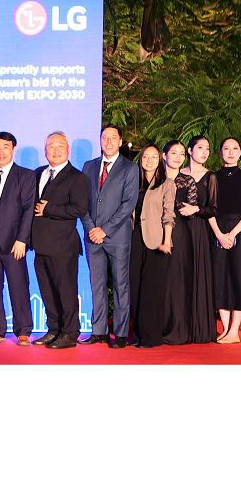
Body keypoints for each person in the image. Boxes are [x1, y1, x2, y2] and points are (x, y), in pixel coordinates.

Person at [80, 124, 139, 348]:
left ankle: (121, 333)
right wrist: (91, 228)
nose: (109, 141)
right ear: (100, 141)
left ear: (120, 142)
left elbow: (128, 204)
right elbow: (82, 202)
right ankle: (99, 331)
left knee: (121, 285)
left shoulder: (130, 168)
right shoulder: (89, 166)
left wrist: (105, 230)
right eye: (105, 137)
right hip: (92, 236)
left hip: (118, 237)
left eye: (113, 138)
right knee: (97, 285)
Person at [30, 131, 89, 349]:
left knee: (66, 291)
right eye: (51, 146)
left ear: (68, 150)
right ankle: (54, 329)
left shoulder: (77, 177)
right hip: (40, 244)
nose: (55, 150)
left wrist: (49, 209)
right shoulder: (38, 173)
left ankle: (70, 332)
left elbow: (80, 209)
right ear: (45, 150)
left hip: (63, 245)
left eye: (60, 146)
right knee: (47, 291)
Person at [0, 132, 36, 346]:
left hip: (14, 242)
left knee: (18, 286)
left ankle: (23, 330)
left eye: (6, 147)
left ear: (14, 149)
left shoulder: (25, 175)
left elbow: (28, 210)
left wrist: (22, 239)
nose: (1, 151)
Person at [165, 136, 218, 345]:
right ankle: (176, 325)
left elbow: (214, 209)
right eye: (200, 147)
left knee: (196, 276)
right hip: (175, 229)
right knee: (176, 279)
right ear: (189, 150)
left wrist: (197, 209)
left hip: (198, 231)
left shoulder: (210, 176)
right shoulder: (177, 173)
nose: (204, 152)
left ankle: (198, 329)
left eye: (207, 149)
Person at [210, 138, 241, 344]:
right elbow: (208, 208)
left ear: (240, 152)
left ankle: (234, 330)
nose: (230, 152)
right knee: (219, 276)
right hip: (217, 229)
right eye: (226, 148)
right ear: (220, 152)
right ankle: (225, 328)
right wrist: (220, 234)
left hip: (240, 229)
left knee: (240, 276)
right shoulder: (212, 177)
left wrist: (233, 233)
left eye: (234, 148)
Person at [128, 144, 175, 348]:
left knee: (152, 290)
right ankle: (137, 335)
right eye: (145, 157)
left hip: (157, 241)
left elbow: (169, 214)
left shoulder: (167, 183)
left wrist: (166, 241)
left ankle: (151, 336)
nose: (149, 160)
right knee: (136, 287)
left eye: (154, 157)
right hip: (134, 238)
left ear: (160, 159)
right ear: (140, 160)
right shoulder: (134, 182)